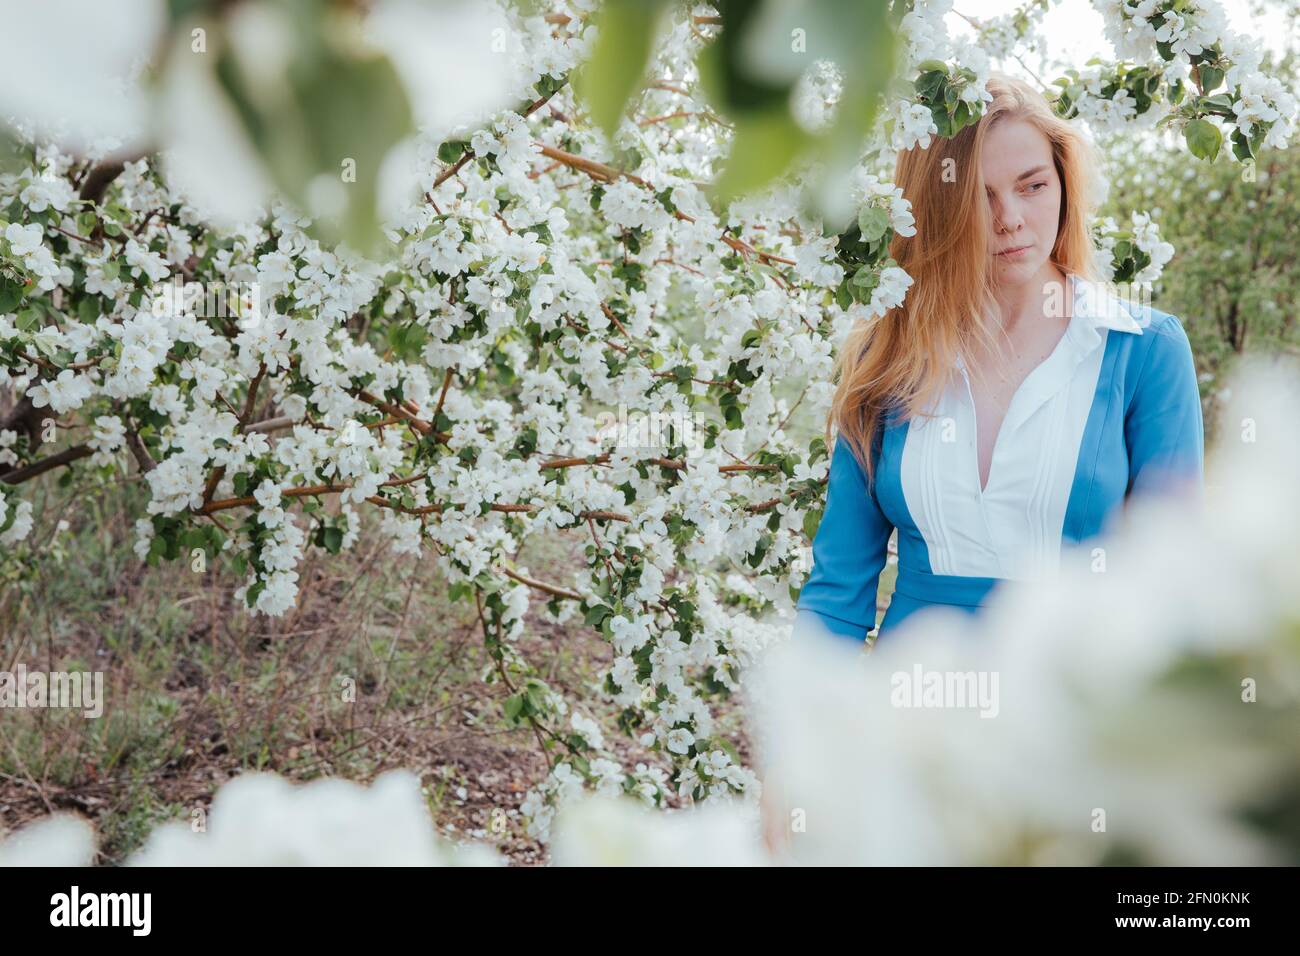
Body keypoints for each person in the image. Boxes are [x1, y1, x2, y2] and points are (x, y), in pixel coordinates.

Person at [792, 72, 1205, 649]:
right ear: (936, 208)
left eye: (1032, 186)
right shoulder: (887, 355)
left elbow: (1172, 582)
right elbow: (837, 590)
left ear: (1063, 185)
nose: (1009, 218)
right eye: (980, 197)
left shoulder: (1144, 349)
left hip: (1074, 710)